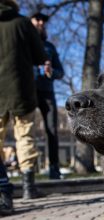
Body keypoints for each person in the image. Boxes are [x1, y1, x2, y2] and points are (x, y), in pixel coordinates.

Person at [0, 0, 46, 202]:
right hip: (21, 90)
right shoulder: (23, 23)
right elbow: (39, 55)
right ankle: (28, 188)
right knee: (25, 136)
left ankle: (2, 188)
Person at [31, 12, 64, 179]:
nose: (41, 23)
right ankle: (28, 171)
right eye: (37, 19)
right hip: (28, 91)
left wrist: (51, 71)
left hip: (47, 93)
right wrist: (36, 70)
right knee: (25, 131)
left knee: (52, 130)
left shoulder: (50, 47)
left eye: (43, 21)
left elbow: (60, 72)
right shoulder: (24, 44)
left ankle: (54, 168)